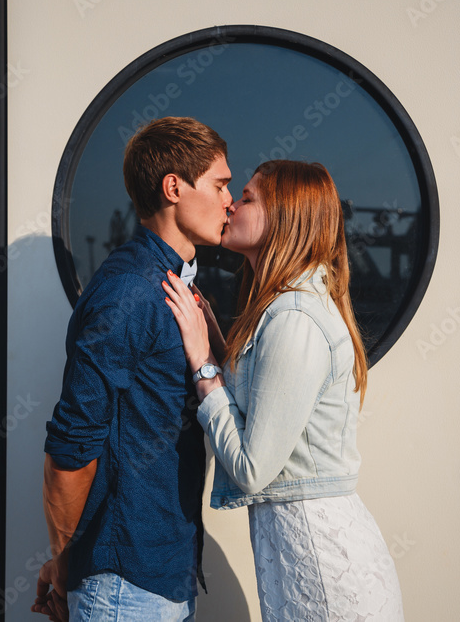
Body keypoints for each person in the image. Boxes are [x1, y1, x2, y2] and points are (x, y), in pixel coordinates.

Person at [162, 160, 405, 621]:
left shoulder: (294, 317)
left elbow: (253, 469)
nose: (231, 202)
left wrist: (203, 364)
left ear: (286, 217)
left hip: (321, 563)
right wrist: (218, 345)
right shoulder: (283, 308)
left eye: (248, 197)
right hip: (305, 552)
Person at [33, 116, 233, 621]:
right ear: (174, 187)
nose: (230, 200)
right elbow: (70, 450)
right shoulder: (130, 293)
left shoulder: (175, 284)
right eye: (220, 184)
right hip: (125, 588)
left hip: (162, 573)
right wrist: (63, 563)